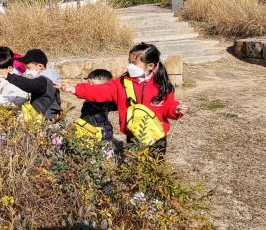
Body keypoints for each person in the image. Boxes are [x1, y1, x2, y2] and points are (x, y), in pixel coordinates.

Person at [56, 43, 189, 157]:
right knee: (135, 168)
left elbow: (167, 107)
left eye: (134, 63)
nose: (129, 66)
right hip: (133, 135)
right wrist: (75, 89)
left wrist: (176, 109)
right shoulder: (122, 84)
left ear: (150, 66)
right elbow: (99, 91)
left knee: (155, 169)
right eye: (129, 62)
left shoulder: (161, 85)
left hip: (157, 136)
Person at [0, 49, 62, 121]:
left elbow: (29, 84)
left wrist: (10, 77)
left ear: (40, 66)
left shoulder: (44, 81)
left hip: (48, 119)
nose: (27, 71)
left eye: (29, 68)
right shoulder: (49, 78)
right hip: (48, 116)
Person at [76, 69, 117, 142]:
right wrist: (86, 87)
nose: (91, 86)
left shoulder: (105, 99)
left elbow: (96, 101)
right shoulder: (92, 96)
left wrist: (87, 91)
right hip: (88, 128)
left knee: (103, 150)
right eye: (89, 83)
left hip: (101, 131)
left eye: (93, 84)